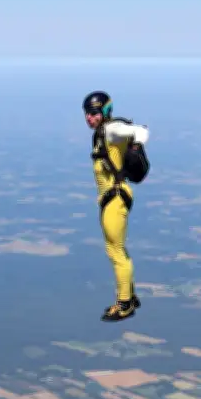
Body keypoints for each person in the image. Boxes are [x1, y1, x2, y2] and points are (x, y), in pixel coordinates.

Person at [83, 91, 150, 322]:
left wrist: (136, 147)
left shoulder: (111, 130)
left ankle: (124, 304)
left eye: (94, 113)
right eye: (87, 113)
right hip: (112, 198)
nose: (89, 118)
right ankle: (129, 295)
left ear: (104, 112)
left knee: (115, 251)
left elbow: (141, 130)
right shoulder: (104, 132)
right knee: (117, 249)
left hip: (116, 198)